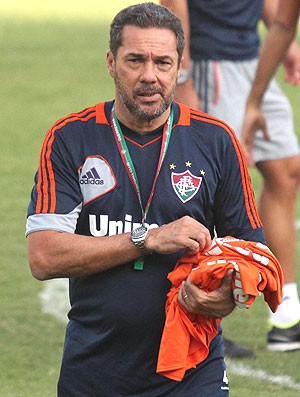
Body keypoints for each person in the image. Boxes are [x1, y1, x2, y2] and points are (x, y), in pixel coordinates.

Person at [26, 3, 267, 396]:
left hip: (193, 369)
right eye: (135, 60)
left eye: (163, 62)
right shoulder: (71, 138)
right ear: (111, 62)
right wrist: (146, 239)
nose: (149, 76)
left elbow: (252, 254)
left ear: (180, 66)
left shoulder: (216, 141)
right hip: (94, 371)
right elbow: (44, 257)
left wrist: (224, 297)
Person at [161, 0, 300, 353]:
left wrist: (284, 40)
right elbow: (174, 4)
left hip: (254, 61)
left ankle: (285, 308)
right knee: (209, 188)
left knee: (286, 170)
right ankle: (201, 313)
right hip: (212, 67)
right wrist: (184, 75)